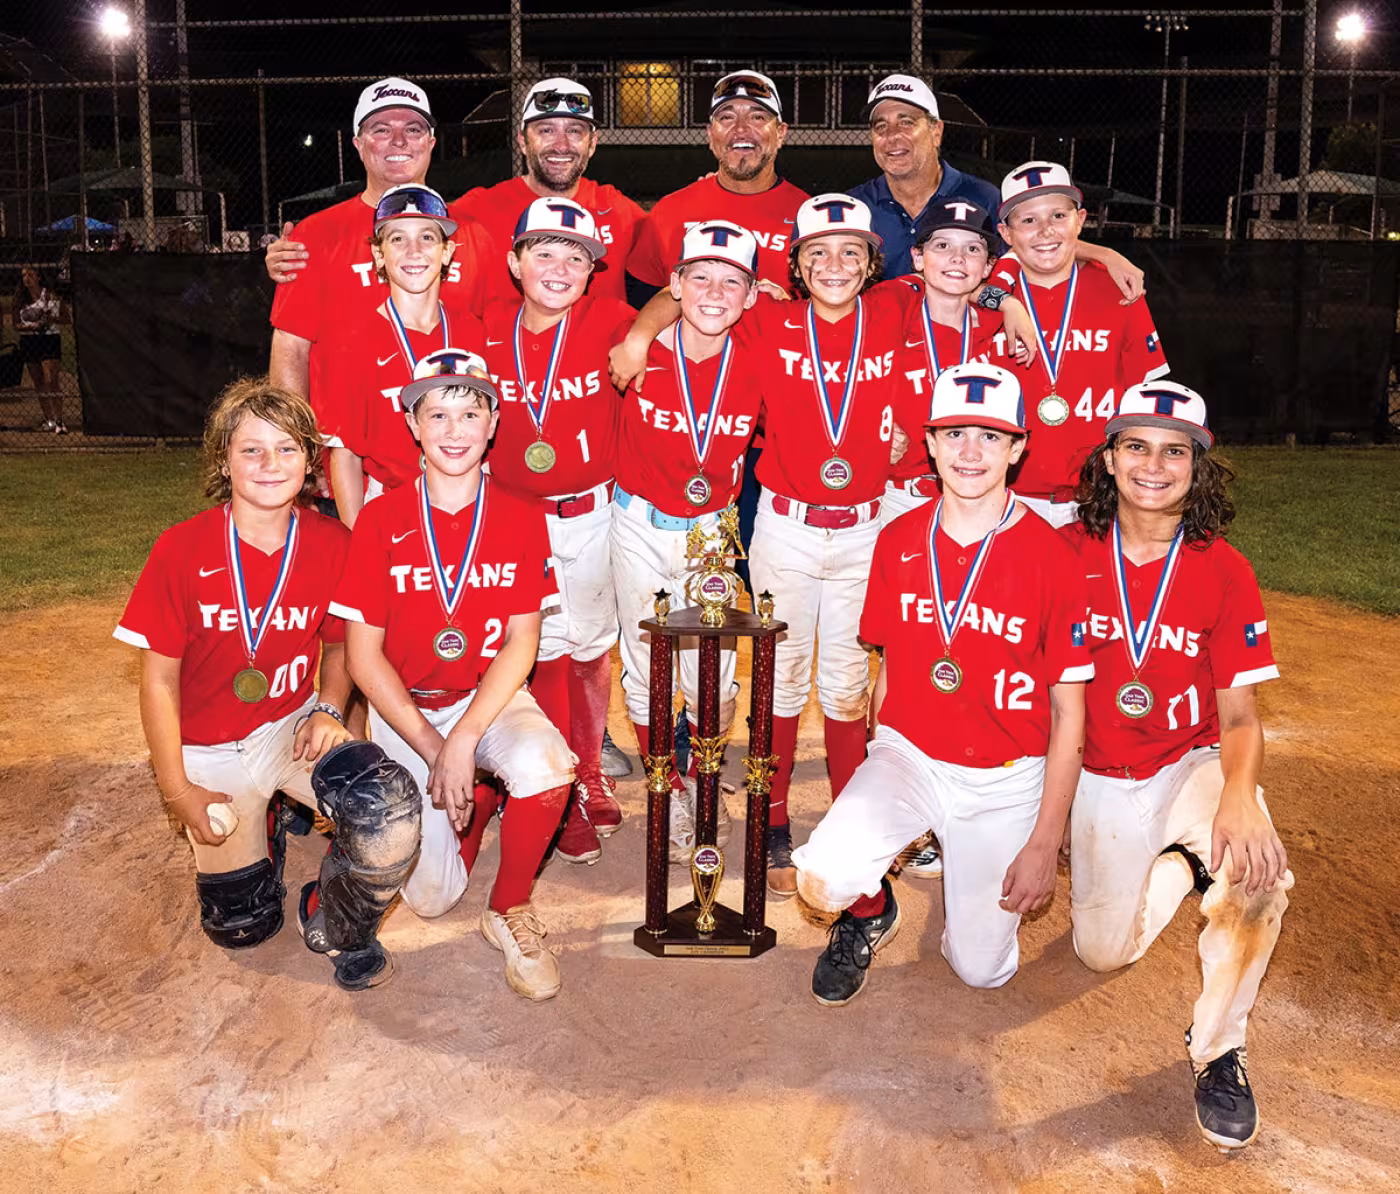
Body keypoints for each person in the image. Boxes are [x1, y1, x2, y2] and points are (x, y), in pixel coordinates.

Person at [792, 362, 1091, 1006]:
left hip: (1005, 776)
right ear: (928, 444)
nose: (970, 452)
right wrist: (885, 783)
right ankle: (881, 904)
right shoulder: (899, 538)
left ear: (1017, 448)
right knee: (822, 878)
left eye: (989, 436)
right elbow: (891, 664)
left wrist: (1044, 838)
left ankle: (965, 863)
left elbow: (1071, 714)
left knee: (981, 970)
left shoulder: (1053, 555)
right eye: (954, 434)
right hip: (912, 756)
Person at [112, 379, 422, 992]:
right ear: (223, 461)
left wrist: (330, 708)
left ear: (310, 462)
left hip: (289, 727)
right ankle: (266, 829)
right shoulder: (181, 549)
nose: (269, 464)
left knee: (386, 812)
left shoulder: (332, 543)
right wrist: (179, 791)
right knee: (242, 928)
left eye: (286, 449)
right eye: (250, 450)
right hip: (208, 750)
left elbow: (338, 644)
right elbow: (158, 683)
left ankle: (337, 920)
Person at [1063, 380, 1291, 1152]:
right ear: (1108, 459)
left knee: (1258, 876)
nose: (1153, 465)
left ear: (1199, 469)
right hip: (1097, 772)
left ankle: (1219, 1047)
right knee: (1102, 954)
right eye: (1136, 446)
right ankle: (1182, 864)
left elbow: (1238, 717)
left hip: (1188, 758)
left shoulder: (1225, 568)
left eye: (1175, 451)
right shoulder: (1064, 553)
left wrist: (1241, 796)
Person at [329, 348, 576, 1002]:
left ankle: (509, 905)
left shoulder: (522, 514)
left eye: (470, 412)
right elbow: (363, 658)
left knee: (549, 766)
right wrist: (437, 748)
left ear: (493, 422)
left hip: (486, 701)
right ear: (412, 424)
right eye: (436, 412)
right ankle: (478, 801)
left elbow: (523, 642)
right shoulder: (380, 517)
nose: (454, 428)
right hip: (405, 709)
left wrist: (464, 740)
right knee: (434, 900)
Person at [475, 196, 636, 864]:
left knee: (592, 647)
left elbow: (672, 306)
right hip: (513, 517)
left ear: (594, 270)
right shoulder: (485, 324)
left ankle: (590, 768)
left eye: (578, 256)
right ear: (514, 262)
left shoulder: (610, 318)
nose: (561, 266)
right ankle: (557, 787)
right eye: (544, 251)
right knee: (536, 646)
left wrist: (644, 335)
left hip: (589, 511)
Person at [611, 220, 765, 861]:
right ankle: (663, 786)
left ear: (751, 296)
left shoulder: (760, 357)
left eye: (732, 281)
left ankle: (705, 780)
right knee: (646, 666)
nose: (714, 291)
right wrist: (641, 332)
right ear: (673, 284)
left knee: (715, 670)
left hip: (712, 531)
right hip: (638, 522)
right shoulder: (634, 351)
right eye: (698, 276)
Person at [264, 78, 492, 412]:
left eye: (413, 130)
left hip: (455, 447)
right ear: (358, 143)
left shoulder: (470, 232)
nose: (398, 140)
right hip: (344, 452)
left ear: (430, 142)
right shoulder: (316, 235)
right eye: (381, 130)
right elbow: (291, 347)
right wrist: (293, 442)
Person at [850, 74, 1147, 300]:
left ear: (936, 131)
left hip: (966, 347)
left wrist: (1104, 255)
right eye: (881, 127)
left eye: (906, 123)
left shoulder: (982, 197)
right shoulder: (854, 208)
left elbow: (1031, 246)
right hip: (881, 357)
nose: (892, 136)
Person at [993, 160, 1170, 527]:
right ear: (1005, 233)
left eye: (1058, 215)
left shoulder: (1118, 289)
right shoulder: (987, 299)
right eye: (1027, 220)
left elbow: (1146, 396)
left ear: (1081, 219)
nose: (1045, 230)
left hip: (1098, 492)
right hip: (1007, 495)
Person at [315, 183, 484, 528]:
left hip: (469, 496)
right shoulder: (351, 338)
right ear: (378, 255)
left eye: (427, 237)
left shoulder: (470, 330)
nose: (413, 251)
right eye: (396, 239)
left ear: (448, 251)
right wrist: (358, 540)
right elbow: (345, 455)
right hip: (390, 502)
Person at [452, 79, 645, 305]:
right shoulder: (479, 211)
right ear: (523, 142)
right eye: (546, 130)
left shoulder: (618, 211)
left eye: (574, 131)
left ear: (592, 144)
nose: (561, 145)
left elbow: (679, 265)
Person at [625, 70, 809, 302]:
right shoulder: (669, 212)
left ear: (781, 133)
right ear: (710, 135)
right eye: (726, 118)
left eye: (758, 117)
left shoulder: (809, 218)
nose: (741, 129)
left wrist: (789, 310)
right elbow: (641, 307)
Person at [10, 264, 66, 433]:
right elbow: (16, 325)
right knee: (39, 382)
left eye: (30, 274)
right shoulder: (20, 299)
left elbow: (65, 318)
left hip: (48, 339)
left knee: (51, 380)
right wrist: (32, 326)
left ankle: (59, 420)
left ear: (38, 277)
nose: (26, 278)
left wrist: (51, 319)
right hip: (30, 341)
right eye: (24, 275)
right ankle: (49, 419)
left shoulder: (48, 295)